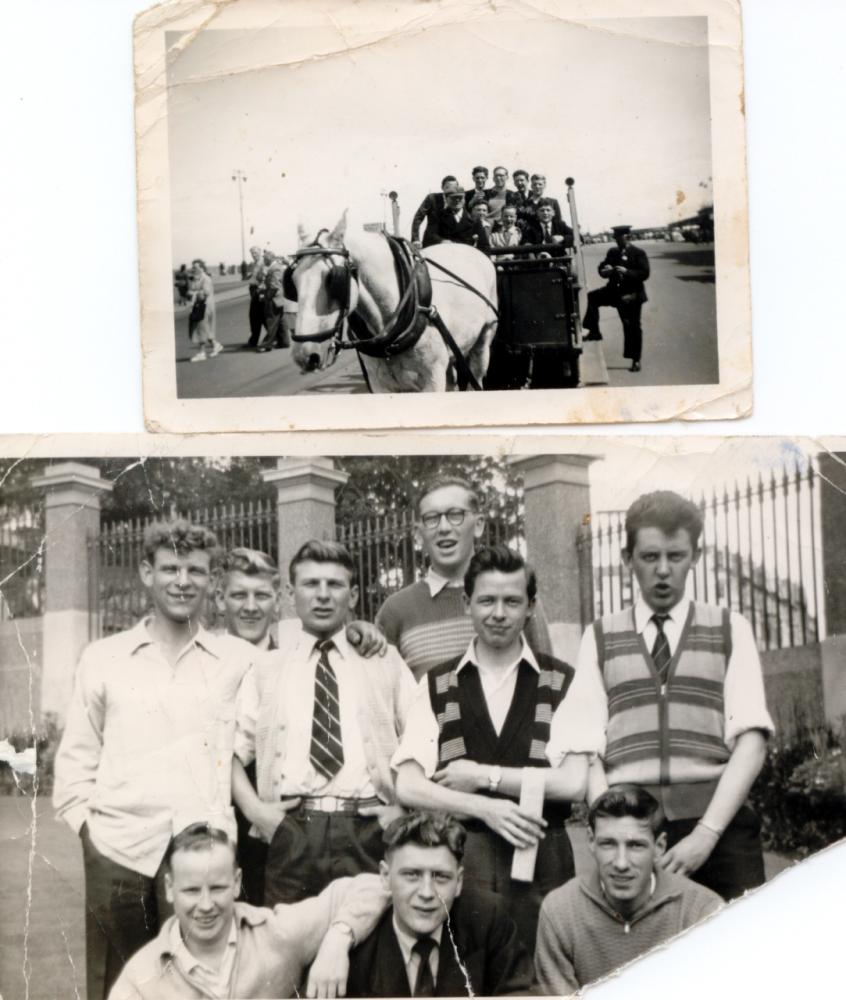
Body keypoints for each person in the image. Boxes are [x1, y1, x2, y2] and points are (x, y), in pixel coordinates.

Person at [53, 521, 258, 1000]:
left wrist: (359, 632)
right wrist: (91, 835)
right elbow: (76, 760)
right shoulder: (103, 658)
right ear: (147, 572)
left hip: (202, 857)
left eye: (196, 570)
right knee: (116, 986)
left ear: (212, 580)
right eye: (170, 568)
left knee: (204, 985)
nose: (183, 581)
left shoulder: (237, 658)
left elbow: (252, 738)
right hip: (118, 851)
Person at [549, 490, 774, 902]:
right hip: (631, 830)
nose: (664, 571)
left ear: (696, 556)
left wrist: (707, 834)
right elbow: (586, 745)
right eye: (650, 557)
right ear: (627, 559)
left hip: (719, 829)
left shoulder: (729, 628)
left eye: (676, 556)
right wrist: (615, 831)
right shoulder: (599, 637)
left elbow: (752, 740)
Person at [393, 545, 584, 952]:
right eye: (487, 600)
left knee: (542, 976)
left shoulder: (562, 679)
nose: (499, 613)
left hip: (542, 853)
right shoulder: (437, 683)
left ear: (530, 607)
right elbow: (407, 785)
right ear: (467, 603)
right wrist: (487, 808)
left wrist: (483, 777)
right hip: (462, 857)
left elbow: (574, 782)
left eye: (512, 601)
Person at [232, 539, 417, 907]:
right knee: (288, 947)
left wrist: (404, 812)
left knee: (368, 946)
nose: (322, 595)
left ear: (353, 595)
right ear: (289, 593)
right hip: (293, 828)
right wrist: (256, 812)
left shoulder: (385, 660)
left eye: (334, 585)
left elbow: (422, 744)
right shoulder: (266, 669)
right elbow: (232, 752)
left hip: (368, 825)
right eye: (310, 584)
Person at [108, 821, 390, 1000]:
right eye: (192, 891)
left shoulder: (276, 933)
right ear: (169, 888)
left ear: (237, 882)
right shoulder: (141, 976)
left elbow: (375, 885)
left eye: (217, 888)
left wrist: (337, 939)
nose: (206, 905)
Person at [534, 786, 722, 995]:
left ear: (659, 847)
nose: (621, 863)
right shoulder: (560, 911)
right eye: (608, 844)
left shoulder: (702, 911)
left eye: (635, 846)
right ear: (591, 842)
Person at [376, 475, 552, 682]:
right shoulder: (396, 611)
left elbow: (547, 684)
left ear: (478, 525)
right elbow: (383, 695)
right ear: (417, 534)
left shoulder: (515, 598)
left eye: (455, 515)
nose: (443, 528)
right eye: (432, 518)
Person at [346, 812, 535, 997]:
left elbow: (518, 992)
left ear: (459, 881)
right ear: (386, 876)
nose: (427, 893)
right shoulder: (358, 944)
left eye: (441, 877)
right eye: (412, 875)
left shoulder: (487, 918)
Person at [582, 224, 650, 373]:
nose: (617, 241)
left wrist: (627, 271)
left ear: (629, 237)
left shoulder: (638, 253)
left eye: (620, 238)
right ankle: (594, 331)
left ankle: (635, 359)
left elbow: (644, 273)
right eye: (616, 238)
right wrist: (604, 271)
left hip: (632, 294)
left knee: (631, 326)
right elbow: (602, 267)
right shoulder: (612, 252)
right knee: (592, 298)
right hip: (614, 291)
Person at [187, 260, 223, 363]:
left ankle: (201, 353)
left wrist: (193, 294)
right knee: (203, 328)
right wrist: (193, 293)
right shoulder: (195, 279)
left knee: (201, 328)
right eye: (193, 267)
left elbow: (204, 293)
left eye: (196, 267)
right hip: (198, 306)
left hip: (205, 306)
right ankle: (216, 345)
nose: (194, 269)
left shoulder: (206, 279)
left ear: (202, 268)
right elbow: (189, 291)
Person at [411, 176, 459, 249]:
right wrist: (415, 239)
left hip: (451, 244)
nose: (451, 191)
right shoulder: (432, 198)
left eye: (454, 188)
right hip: (432, 242)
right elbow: (418, 217)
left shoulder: (459, 201)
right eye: (447, 187)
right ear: (442, 188)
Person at [258, 253, 292, 352]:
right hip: (280, 299)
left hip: (274, 299)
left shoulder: (275, 268)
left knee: (271, 321)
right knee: (281, 321)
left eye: (264, 258)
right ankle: (284, 342)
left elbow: (274, 286)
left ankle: (266, 344)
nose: (263, 260)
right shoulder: (275, 267)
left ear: (270, 258)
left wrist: (265, 296)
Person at [246, 245, 268, 349]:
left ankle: (269, 337)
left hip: (260, 291)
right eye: (252, 253)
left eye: (255, 252)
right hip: (254, 290)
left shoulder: (263, 262)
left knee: (258, 315)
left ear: (260, 252)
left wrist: (260, 288)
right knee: (256, 316)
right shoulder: (255, 263)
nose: (253, 255)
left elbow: (265, 276)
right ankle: (254, 340)